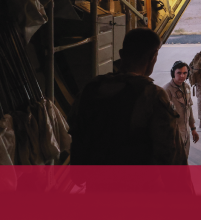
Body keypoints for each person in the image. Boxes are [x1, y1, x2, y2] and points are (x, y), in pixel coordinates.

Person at [69, 28, 184, 165]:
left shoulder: (92, 88)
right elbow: (169, 152)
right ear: (153, 57)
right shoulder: (153, 95)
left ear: (121, 54)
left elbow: (77, 135)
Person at [162, 61, 199, 161]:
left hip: (185, 132)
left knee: (184, 159)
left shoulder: (186, 87)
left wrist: (193, 129)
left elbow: (189, 109)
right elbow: (162, 117)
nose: (182, 76)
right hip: (174, 135)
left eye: (185, 73)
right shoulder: (166, 90)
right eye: (179, 73)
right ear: (173, 73)